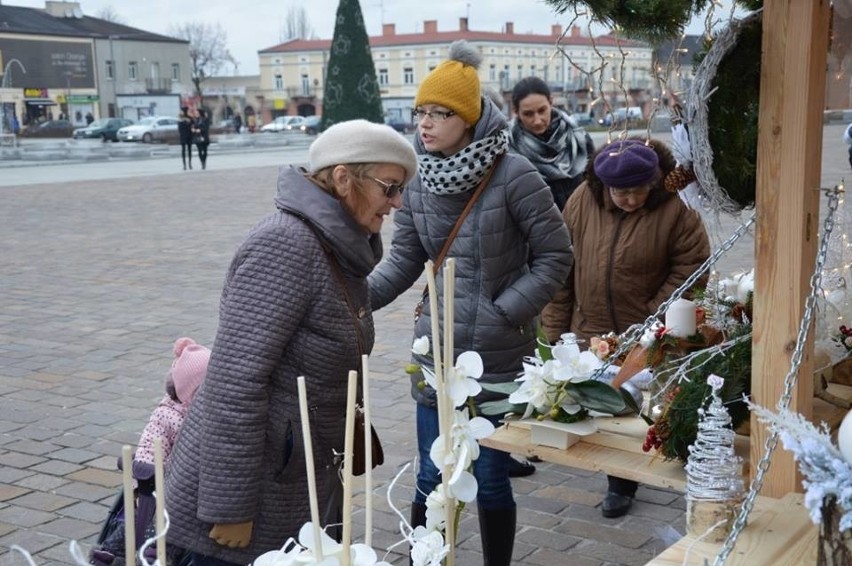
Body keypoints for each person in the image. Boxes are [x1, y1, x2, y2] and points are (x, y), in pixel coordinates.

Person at [165, 119, 418, 566]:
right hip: (252, 493)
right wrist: (231, 507)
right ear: (344, 178)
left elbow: (328, 324)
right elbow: (233, 381)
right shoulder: (286, 244)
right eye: (390, 187)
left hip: (296, 474)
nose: (397, 203)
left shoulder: (334, 245)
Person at [368, 40, 572, 565]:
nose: (426, 124)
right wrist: (355, 297)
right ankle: (424, 558)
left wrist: (505, 312)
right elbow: (403, 260)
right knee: (431, 469)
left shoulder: (515, 176)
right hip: (434, 351)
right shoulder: (419, 184)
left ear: (470, 117)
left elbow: (556, 255)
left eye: (440, 113)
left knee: (489, 475)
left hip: (498, 355)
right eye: (421, 112)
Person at [542, 138, 711, 519]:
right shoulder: (583, 199)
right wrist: (556, 330)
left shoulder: (676, 209)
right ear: (604, 185)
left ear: (653, 183)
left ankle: (637, 477)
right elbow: (562, 266)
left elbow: (693, 267)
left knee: (643, 408)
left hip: (649, 331)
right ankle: (615, 476)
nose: (630, 200)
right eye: (621, 192)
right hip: (592, 327)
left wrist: (655, 318)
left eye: (638, 191)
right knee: (602, 404)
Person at [90, 337, 210, 566]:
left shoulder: (208, 415)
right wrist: (144, 480)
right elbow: (147, 449)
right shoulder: (167, 416)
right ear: (189, 393)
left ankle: (164, 552)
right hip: (161, 486)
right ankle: (111, 553)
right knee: (139, 519)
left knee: (180, 524)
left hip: (190, 489)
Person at [508, 76, 594, 211]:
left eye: (542, 110)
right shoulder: (508, 149)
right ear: (516, 111)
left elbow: (594, 185)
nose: (537, 120)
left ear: (551, 102)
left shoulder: (578, 139)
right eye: (528, 114)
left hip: (580, 222)